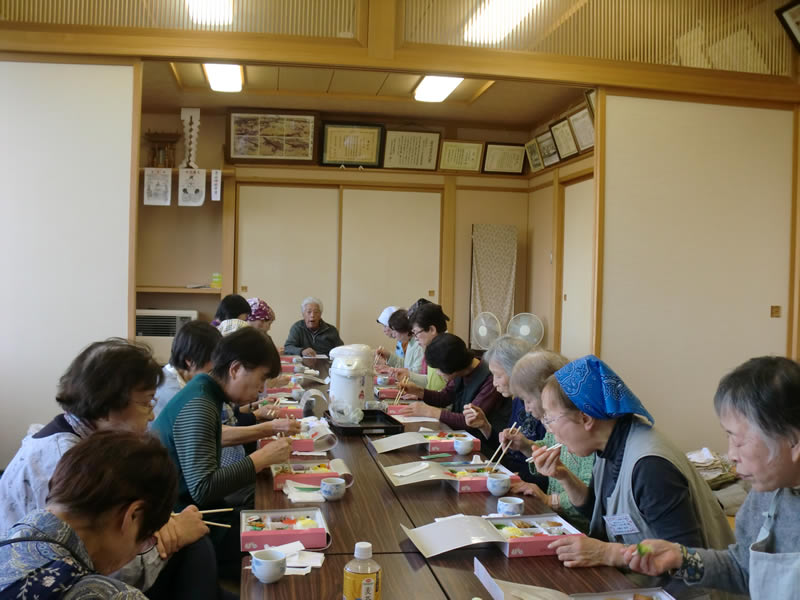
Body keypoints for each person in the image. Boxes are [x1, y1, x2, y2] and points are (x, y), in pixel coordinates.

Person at [0, 338, 223, 600]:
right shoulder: (67, 459)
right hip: (61, 576)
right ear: (107, 403)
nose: (151, 415)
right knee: (194, 548)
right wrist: (173, 534)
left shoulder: (79, 439)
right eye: (146, 402)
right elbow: (105, 566)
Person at [530, 355, 733, 599]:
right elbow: (603, 512)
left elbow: (685, 559)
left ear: (585, 418)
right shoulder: (611, 445)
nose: (549, 430)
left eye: (550, 419)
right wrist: (562, 476)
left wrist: (606, 553)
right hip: (635, 585)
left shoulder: (651, 467)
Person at [623, 356, 800, 600]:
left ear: (793, 441)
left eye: (738, 440)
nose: (731, 454)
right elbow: (743, 568)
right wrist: (683, 558)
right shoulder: (765, 493)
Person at [152, 327, 292, 575]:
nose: (260, 389)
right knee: (287, 538)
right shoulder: (200, 405)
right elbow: (203, 488)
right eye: (260, 379)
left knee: (279, 518)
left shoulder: (203, 390)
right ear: (235, 369)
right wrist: (259, 459)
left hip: (193, 512)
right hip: (186, 523)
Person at [0, 431, 178, 599]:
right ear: (133, 515)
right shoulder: (110, 595)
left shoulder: (9, 545)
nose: (134, 554)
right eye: (145, 542)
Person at [504, 350, 596, 532]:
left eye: (527, 400)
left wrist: (549, 500)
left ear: (546, 392)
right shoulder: (554, 423)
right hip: (558, 521)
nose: (527, 409)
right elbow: (550, 453)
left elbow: (589, 497)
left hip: (579, 528)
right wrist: (525, 446)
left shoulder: (579, 430)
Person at [397, 333, 510, 454]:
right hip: (461, 441)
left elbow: (469, 421)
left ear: (451, 365)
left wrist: (429, 411)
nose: (437, 373)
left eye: (438, 369)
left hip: (483, 448)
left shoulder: (490, 379)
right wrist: (418, 391)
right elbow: (445, 397)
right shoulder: (461, 371)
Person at [462, 335, 547, 483]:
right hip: (509, 476)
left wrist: (515, 479)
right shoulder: (518, 401)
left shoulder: (543, 406)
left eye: (498, 376)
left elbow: (549, 472)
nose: (494, 383)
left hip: (528, 485)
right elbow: (508, 450)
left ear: (517, 371)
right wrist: (485, 426)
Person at [153, 320, 222, 419]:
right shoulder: (174, 392)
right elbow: (207, 429)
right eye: (212, 359)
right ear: (190, 360)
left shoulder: (174, 376)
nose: (215, 366)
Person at [391, 302, 448, 392]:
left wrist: (421, 394)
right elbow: (430, 381)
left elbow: (447, 394)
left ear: (432, 330)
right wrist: (419, 393)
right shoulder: (432, 349)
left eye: (416, 332)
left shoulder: (446, 350)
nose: (415, 338)